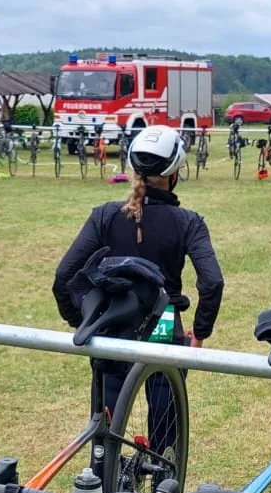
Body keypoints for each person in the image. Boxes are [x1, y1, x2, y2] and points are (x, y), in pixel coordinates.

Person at [53, 127, 224, 415]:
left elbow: (63, 278)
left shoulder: (104, 216)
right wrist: (201, 332)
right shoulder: (189, 222)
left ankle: (104, 458)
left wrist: (82, 321)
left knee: (106, 429)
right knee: (164, 431)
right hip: (163, 324)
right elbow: (212, 282)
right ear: (175, 173)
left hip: (112, 325)